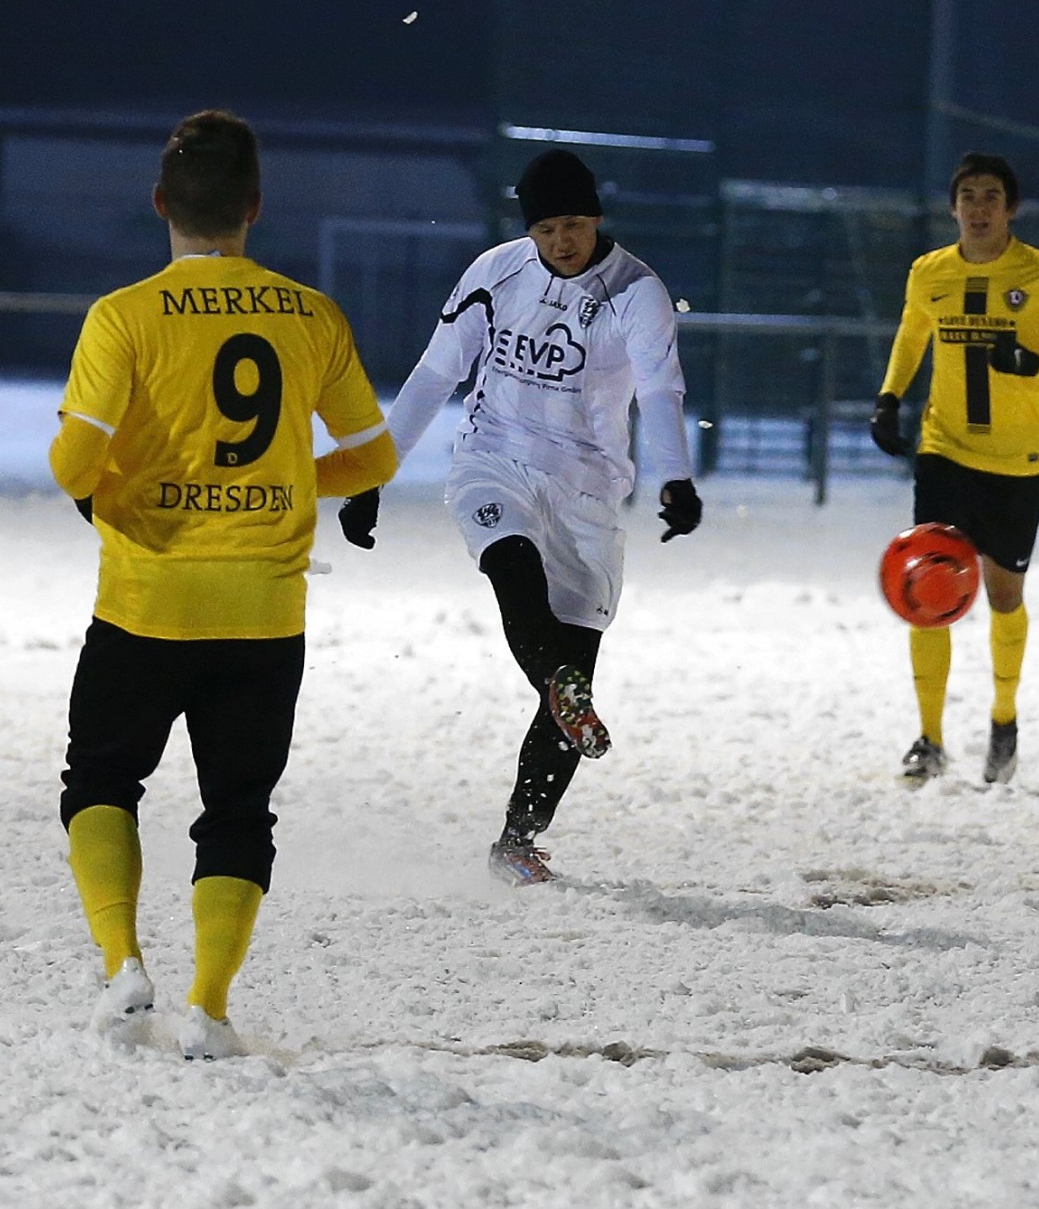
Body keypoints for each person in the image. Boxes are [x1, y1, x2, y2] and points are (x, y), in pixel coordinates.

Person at [48, 109, 396, 1059]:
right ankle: (207, 1005)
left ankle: (123, 964)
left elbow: (73, 464)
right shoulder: (311, 314)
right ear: (255, 207)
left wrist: (128, 484)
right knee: (238, 813)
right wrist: (286, 478)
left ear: (161, 203)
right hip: (264, 609)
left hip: (146, 602)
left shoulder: (124, 315)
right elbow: (373, 457)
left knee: (101, 780)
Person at [337, 147, 702, 886]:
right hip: (492, 459)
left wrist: (676, 480)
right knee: (512, 566)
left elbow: (660, 391)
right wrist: (374, 474)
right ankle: (561, 688)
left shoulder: (637, 292)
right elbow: (437, 372)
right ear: (527, 230)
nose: (560, 241)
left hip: (589, 491)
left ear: (596, 218)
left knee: (576, 660)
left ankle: (517, 840)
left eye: (572, 224)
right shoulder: (495, 272)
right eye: (545, 229)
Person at [870, 151, 1039, 785]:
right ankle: (929, 738)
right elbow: (912, 333)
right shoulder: (931, 272)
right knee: (927, 594)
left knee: (1004, 597)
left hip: (1015, 463)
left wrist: (1034, 361)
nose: (979, 209)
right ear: (954, 207)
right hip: (944, 451)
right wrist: (890, 397)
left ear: (1011, 209)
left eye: (991, 198)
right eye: (968, 197)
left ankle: (1004, 718)